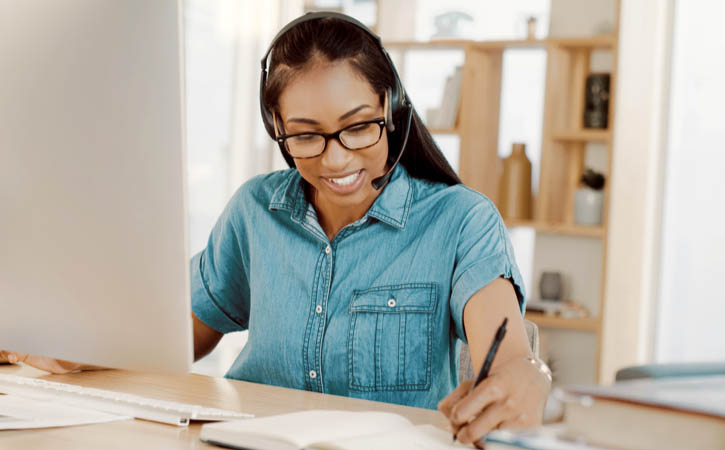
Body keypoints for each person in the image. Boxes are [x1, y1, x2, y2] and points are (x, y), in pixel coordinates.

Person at [1, 13, 551, 446]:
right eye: (306, 136)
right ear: (277, 130)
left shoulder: (461, 220)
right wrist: (67, 343)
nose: (336, 161)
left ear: (392, 107)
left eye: (358, 127)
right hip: (238, 442)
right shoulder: (255, 210)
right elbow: (166, 342)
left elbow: (504, 353)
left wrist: (526, 374)